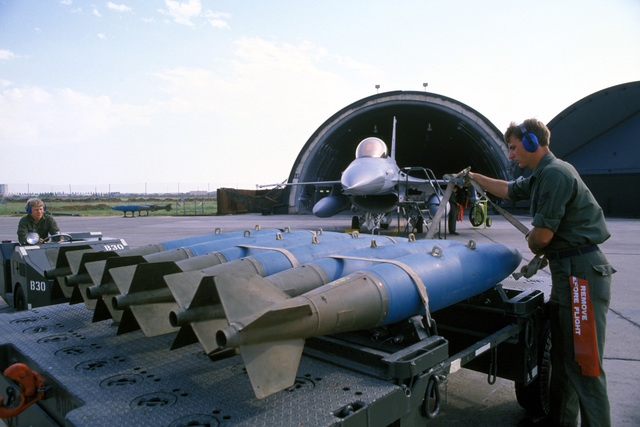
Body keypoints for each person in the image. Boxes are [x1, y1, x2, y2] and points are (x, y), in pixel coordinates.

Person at [465, 119, 615, 426]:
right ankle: (560, 420)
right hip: (567, 273)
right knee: (562, 359)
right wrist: (472, 177)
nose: (510, 155)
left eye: (513, 147)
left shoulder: (555, 174)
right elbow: (508, 190)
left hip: (581, 276)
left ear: (532, 142)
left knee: (585, 363)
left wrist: (533, 240)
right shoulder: (541, 175)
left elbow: (541, 238)